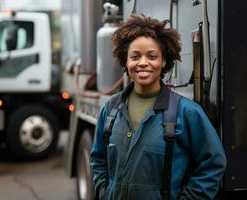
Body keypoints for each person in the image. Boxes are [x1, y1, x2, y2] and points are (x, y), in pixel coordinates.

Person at [90, 15, 227, 200]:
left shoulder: (187, 112)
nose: (143, 63)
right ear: (126, 60)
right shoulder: (111, 108)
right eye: (135, 56)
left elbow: (213, 162)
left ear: (163, 61)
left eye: (152, 56)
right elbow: (98, 158)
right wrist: (103, 192)